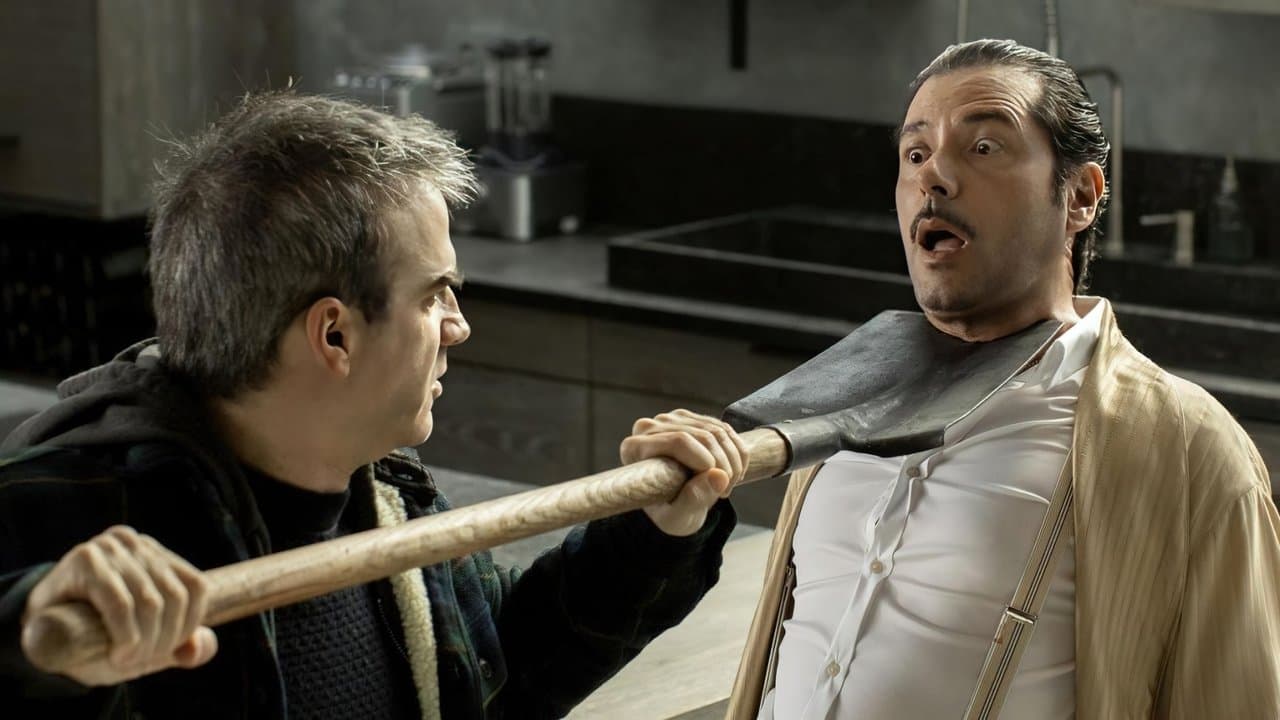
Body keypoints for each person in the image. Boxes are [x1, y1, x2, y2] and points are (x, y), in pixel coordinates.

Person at [0, 91, 748, 719]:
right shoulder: (67, 517)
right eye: (434, 294)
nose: (458, 325)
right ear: (335, 335)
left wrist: (655, 531)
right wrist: (34, 642)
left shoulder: (389, 493)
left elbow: (501, 675)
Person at [723, 39, 1280, 719]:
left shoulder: (1190, 450)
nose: (935, 176)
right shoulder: (841, 396)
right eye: (915, 154)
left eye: (983, 147)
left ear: (1080, 196)